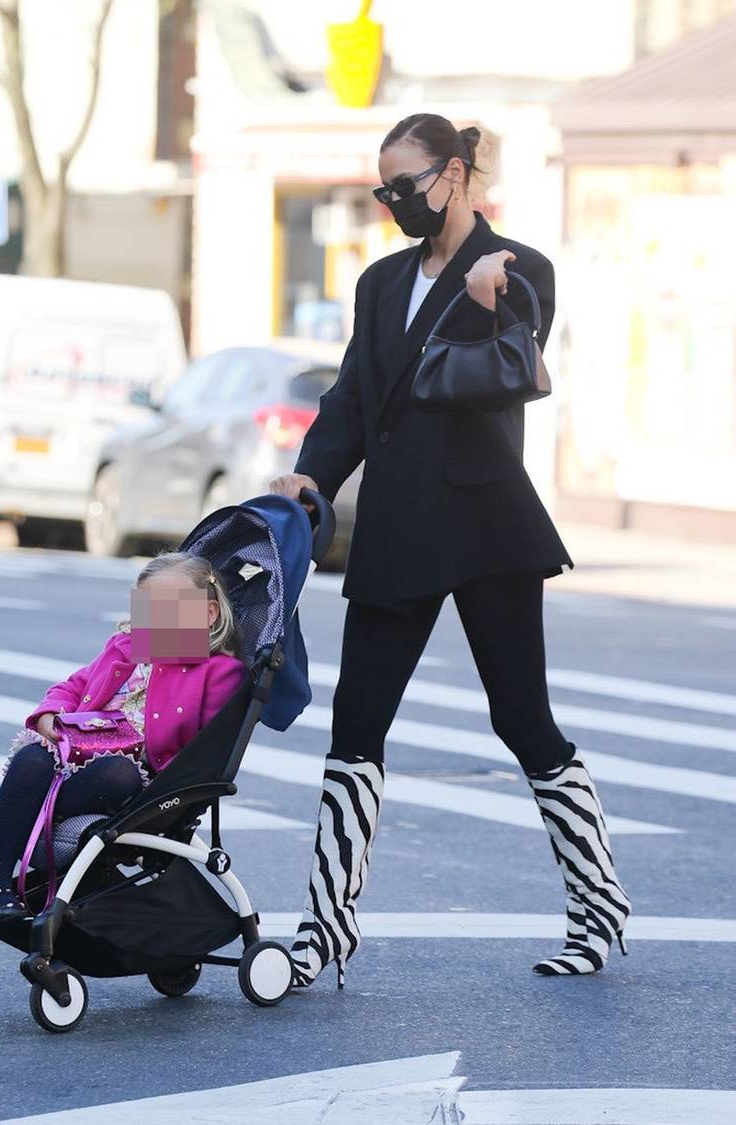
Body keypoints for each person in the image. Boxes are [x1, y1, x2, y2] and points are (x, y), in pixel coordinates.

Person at [271, 113, 631, 986]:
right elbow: (355, 394)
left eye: (408, 186)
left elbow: (505, 374)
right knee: (355, 730)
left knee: (524, 721)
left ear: (458, 176)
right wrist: (311, 476)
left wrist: (481, 301)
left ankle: (598, 908)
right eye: (383, 190)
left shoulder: (517, 268)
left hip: (486, 528)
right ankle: (325, 926)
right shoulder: (379, 280)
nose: (395, 202)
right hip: (396, 529)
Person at [0, 551, 246, 926]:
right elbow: (76, 684)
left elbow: (206, 746)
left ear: (208, 614)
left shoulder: (218, 673)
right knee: (32, 759)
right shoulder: (125, 648)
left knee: (118, 773)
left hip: (136, 778)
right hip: (77, 749)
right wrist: (51, 713)